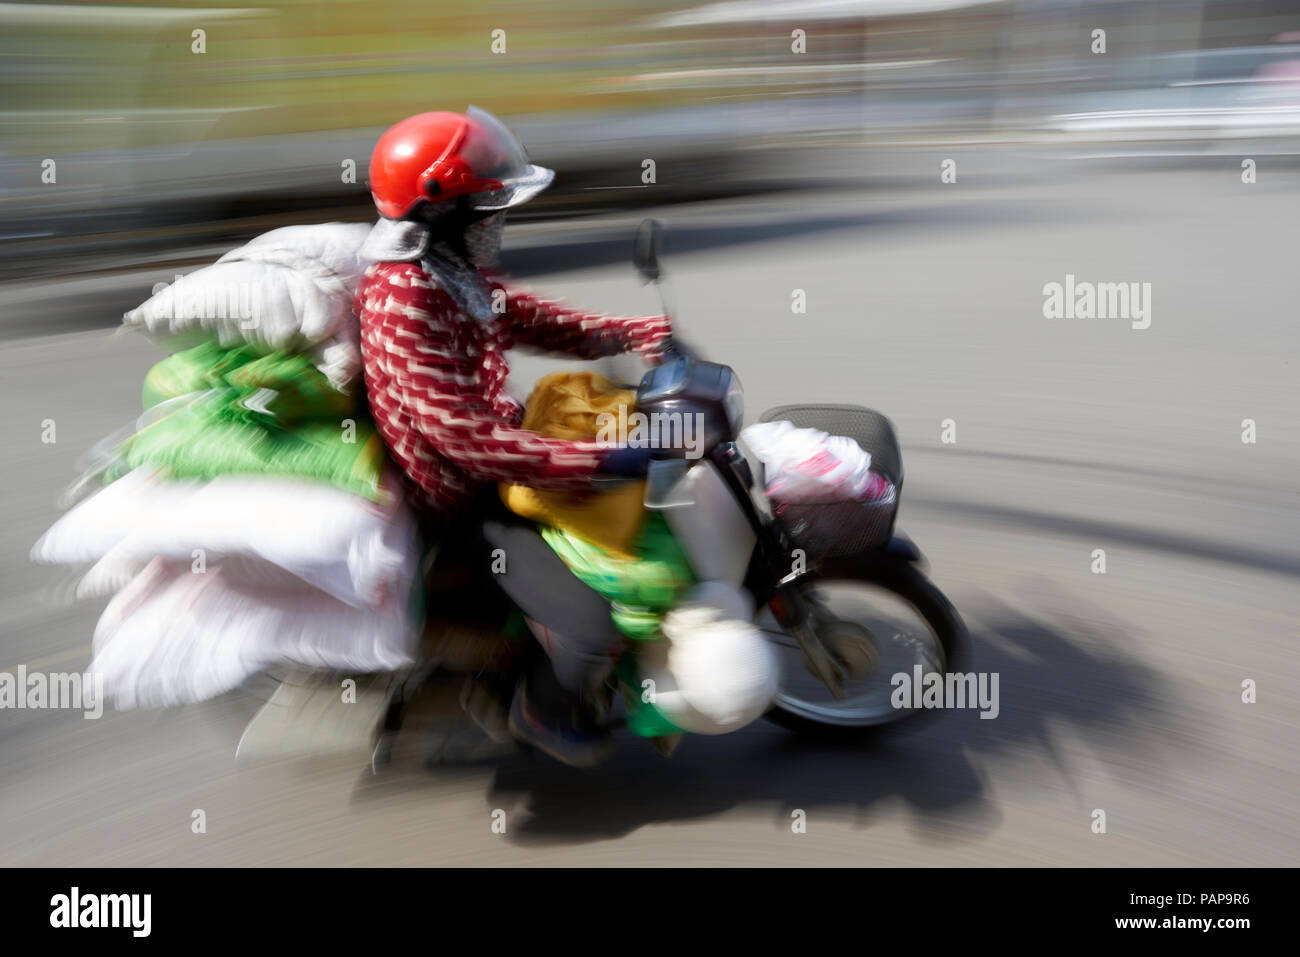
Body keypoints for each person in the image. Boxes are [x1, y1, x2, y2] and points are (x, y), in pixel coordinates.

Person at [356, 107, 673, 767]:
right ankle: (541, 711)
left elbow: (522, 313)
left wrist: (624, 332)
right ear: (445, 214)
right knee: (591, 628)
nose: (499, 219)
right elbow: (461, 435)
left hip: (502, 459)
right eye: (489, 207)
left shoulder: (448, 267)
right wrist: (590, 460)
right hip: (464, 500)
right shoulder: (405, 296)